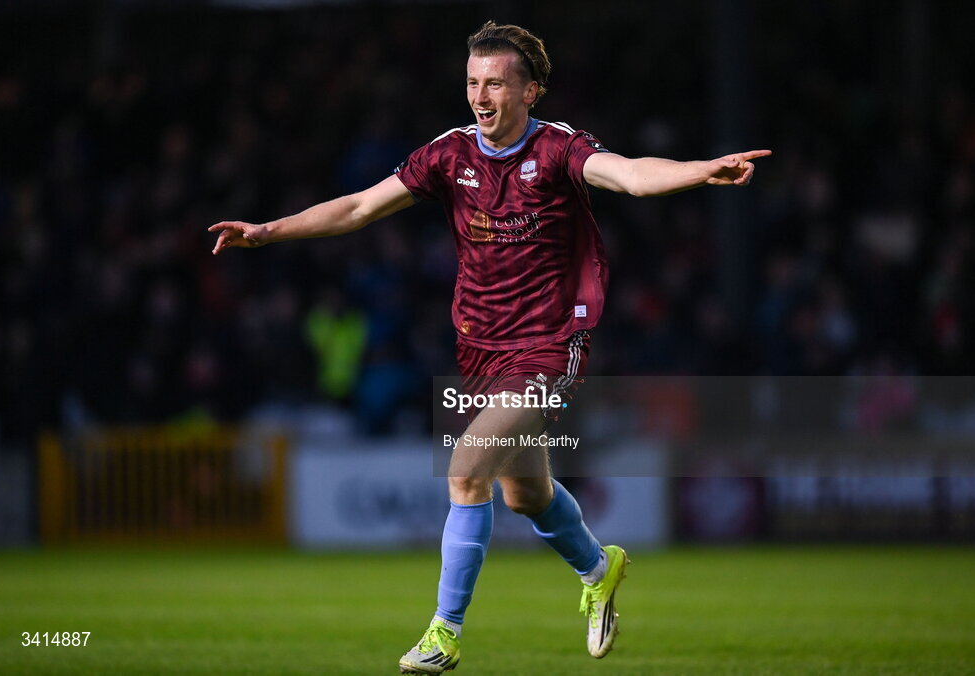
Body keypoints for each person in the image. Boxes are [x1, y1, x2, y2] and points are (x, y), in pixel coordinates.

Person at [209, 20, 770, 674]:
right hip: (482, 350)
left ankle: (444, 635)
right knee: (525, 494)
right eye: (473, 81)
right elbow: (362, 208)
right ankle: (599, 567)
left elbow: (630, 176)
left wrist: (700, 172)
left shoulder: (559, 150)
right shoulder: (450, 155)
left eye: (496, 83)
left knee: (466, 469)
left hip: (548, 345)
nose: (481, 94)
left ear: (530, 90)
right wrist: (269, 231)